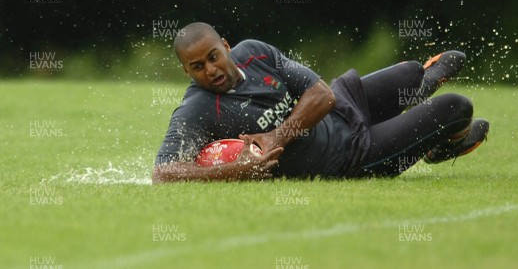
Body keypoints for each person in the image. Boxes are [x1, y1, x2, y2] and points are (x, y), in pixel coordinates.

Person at [152, 22, 489, 183]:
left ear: (226, 46)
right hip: (353, 156)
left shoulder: (254, 51)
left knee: (411, 71)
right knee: (458, 107)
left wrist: (277, 137)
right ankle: (443, 145)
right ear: (186, 71)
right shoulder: (196, 108)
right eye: (198, 67)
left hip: (343, 104)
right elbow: (164, 173)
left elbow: (322, 95)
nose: (211, 70)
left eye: (213, 57)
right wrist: (236, 170)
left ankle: (422, 84)